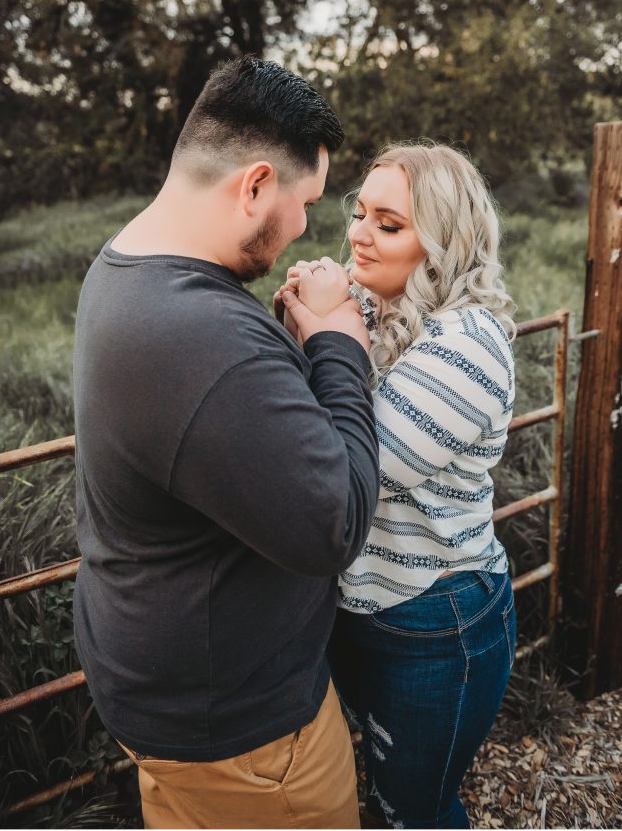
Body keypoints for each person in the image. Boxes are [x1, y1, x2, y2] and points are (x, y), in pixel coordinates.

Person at [72, 56, 381, 830]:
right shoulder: (206, 336)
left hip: (162, 693)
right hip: (246, 740)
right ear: (253, 186)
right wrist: (338, 344)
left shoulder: (126, 270)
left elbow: (222, 435)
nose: (310, 225)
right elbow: (332, 522)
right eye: (305, 200)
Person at [278, 142, 517, 830]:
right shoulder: (372, 310)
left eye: (388, 224)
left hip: (433, 621)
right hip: (358, 604)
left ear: (441, 243)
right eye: (359, 214)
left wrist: (327, 334)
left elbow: (345, 472)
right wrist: (311, 320)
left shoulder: (466, 343)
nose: (356, 234)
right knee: (373, 789)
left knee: (410, 811)